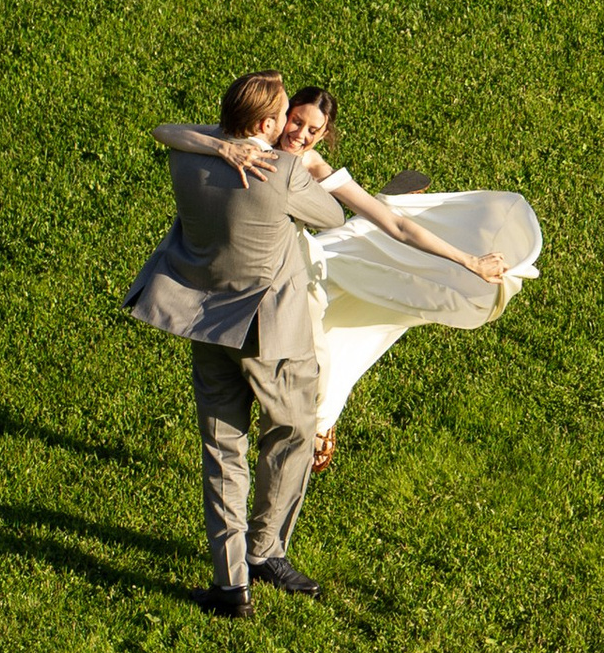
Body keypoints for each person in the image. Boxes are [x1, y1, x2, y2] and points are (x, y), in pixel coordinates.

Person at [161, 89, 540, 469]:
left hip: (303, 271)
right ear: (283, 115)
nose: (300, 135)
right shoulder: (257, 141)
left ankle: (321, 425)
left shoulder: (310, 164)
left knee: (316, 360)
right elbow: (166, 131)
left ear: (324, 134)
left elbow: (398, 227)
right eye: (296, 122)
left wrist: (470, 262)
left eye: (313, 129)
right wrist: (223, 149)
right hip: (264, 265)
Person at [124, 69, 342, 621]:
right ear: (268, 125)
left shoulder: (187, 158)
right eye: (287, 117)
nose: (295, 127)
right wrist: (310, 169)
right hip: (272, 337)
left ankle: (231, 585)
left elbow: (168, 129)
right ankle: (267, 550)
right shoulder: (285, 172)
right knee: (290, 435)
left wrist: (224, 143)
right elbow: (334, 215)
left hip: (205, 326)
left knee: (223, 451)